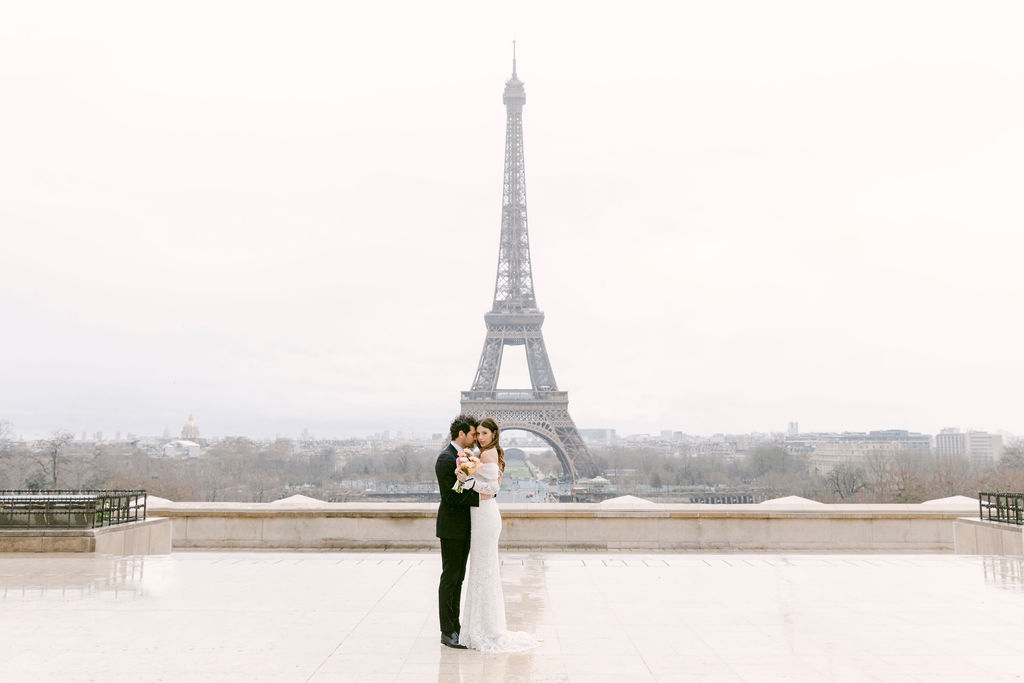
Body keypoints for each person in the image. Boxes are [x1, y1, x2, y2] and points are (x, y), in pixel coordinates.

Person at [457, 417, 540, 652]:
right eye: (478, 433)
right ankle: (484, 626)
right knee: (484, 568)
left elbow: (491, 490)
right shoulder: (488, 453)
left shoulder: (485, 455)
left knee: (483, 568)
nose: (481, 437)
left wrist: (466, 481)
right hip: (484, 515)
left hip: (485, 515)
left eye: (485, 433)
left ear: (494, 434)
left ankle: (483, 628)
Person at [435, 414, 480, 649]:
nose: (475, 438)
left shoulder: (463, 457)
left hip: (462, 528)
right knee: (450, 579)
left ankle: (455, 626)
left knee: (458, 579)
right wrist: (481, 497)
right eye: (473, 433)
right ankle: (447, 631)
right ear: (461, 433)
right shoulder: (446, 459)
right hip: (452, 528)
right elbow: (451, 496)